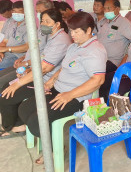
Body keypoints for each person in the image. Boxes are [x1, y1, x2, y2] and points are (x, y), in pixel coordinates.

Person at [18, 12, 107, 163]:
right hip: (58, 89)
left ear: (89, 30)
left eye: (76, 31)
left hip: (76, 97)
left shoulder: (95, 51)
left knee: (36, 121)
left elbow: (98, 80)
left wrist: (70, 95)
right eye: (71, 30)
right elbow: (63, 68)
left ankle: (56, 150)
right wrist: (50, 82)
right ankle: (48, 140)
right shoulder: (74, 46)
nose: (72, 34)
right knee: (25, 108)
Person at [0, 8, 71, 138]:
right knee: (6, 87)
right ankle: (15, 124)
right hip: (39, 76)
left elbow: (45, 68)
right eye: (42, 21)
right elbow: (41, 59)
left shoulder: (61, 40)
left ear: (57, 24)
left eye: (48, 22)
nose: (43, 24)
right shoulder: (51, 36)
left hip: (46, 82)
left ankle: (13, 127)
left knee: (7, 94)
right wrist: (28, 68)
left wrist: (18, 83)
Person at [97, 0, 131, 98]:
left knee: (97, 76)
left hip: (114, 61)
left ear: (117, 9)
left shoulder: (125, 24)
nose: (106, 11)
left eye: (109, 8)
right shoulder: (104, 23)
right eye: (105, 8)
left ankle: (102, 103)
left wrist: (126, 57)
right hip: (101, 58)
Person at [0, 1, 28, 69]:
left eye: (20, 11)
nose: (17, 14)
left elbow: (27, 47)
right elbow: (4, 41)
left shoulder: (29, 26)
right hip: (6, 54)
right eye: (14, 11)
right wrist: (0, 52)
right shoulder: (12, 24)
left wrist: (7, 49)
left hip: (17, 56)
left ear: (26, 12)